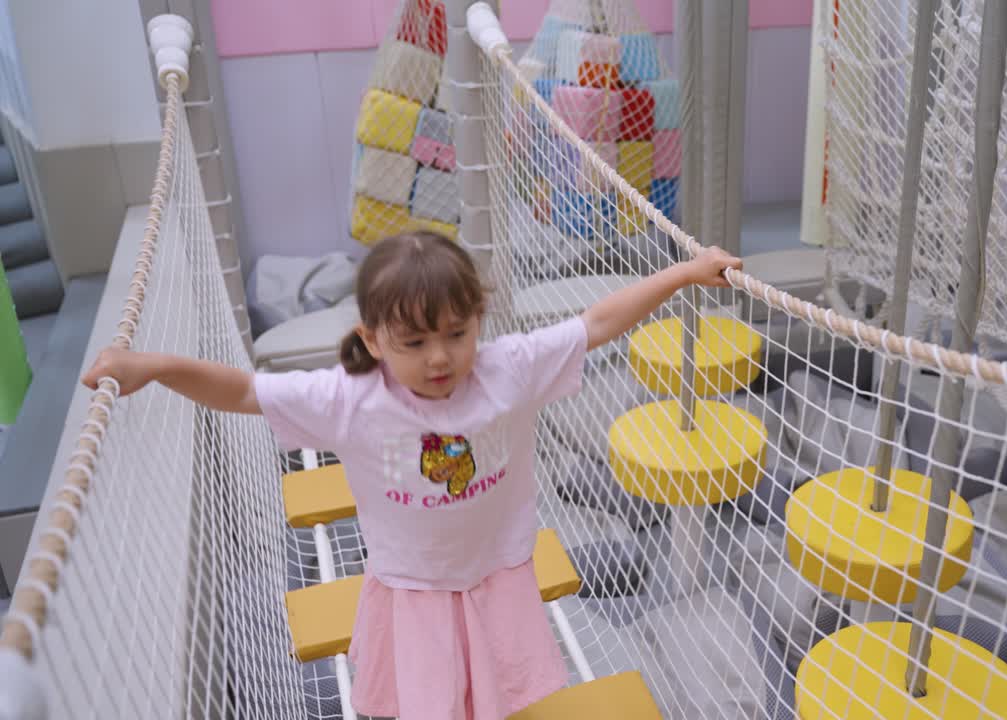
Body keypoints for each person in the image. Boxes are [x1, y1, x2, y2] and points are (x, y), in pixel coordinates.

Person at [81, 230, 742, 720]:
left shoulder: (507, 368)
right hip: (414, 592)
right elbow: (246, 392)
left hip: (496, 578)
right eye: (415, 342)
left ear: (479, 320)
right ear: (372, 339)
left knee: (509, 699)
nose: (440, 358)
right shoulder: (350, 399)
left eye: (456, 334)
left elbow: (597, 322)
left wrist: (684, 274)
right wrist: (156, 368)